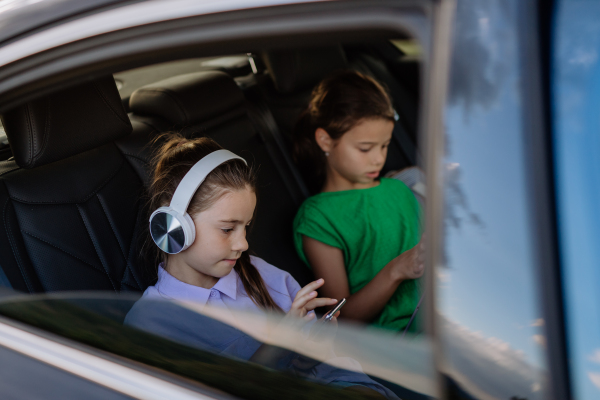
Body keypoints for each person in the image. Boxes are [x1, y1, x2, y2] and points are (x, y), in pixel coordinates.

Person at [124, 134, 397, 398]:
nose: (242, 243)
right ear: (173, 226)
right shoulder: (150, 322)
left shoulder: (259, 273)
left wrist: (312, 348)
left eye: (246, 227)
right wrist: (282, 343)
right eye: (227, 228)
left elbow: (325, 370)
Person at [292, 70, 424, 332]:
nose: (378, 159)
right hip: (398, 340)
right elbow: (342, 317)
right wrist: (397, 270)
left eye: (385, 145)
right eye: (365, 149)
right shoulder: (319, 217)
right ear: (325, 140)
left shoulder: (398, 189)